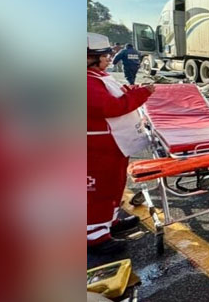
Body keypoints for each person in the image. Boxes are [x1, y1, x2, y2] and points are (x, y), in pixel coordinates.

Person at [87, 33, 155, 254]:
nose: (108, 59)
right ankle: (95, 237)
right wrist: (142, 93)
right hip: (94, 150)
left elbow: (118, 93)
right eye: (103, 55)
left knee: (114, 184)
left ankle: (110, 220)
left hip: (112, 146)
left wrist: (135, 90)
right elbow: (111, 106)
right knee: (96, 192)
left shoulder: (96, 75)